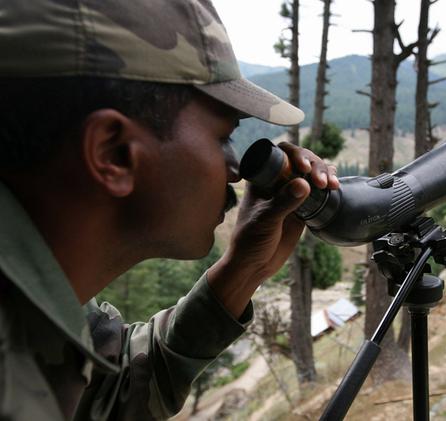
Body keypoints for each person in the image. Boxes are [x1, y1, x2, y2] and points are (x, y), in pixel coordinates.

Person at [0, 0, 339, 419]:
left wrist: (243, 271)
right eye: (223, 137)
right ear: (114, 153)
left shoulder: (31, 315)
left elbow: (112, 388)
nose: (236, 170)